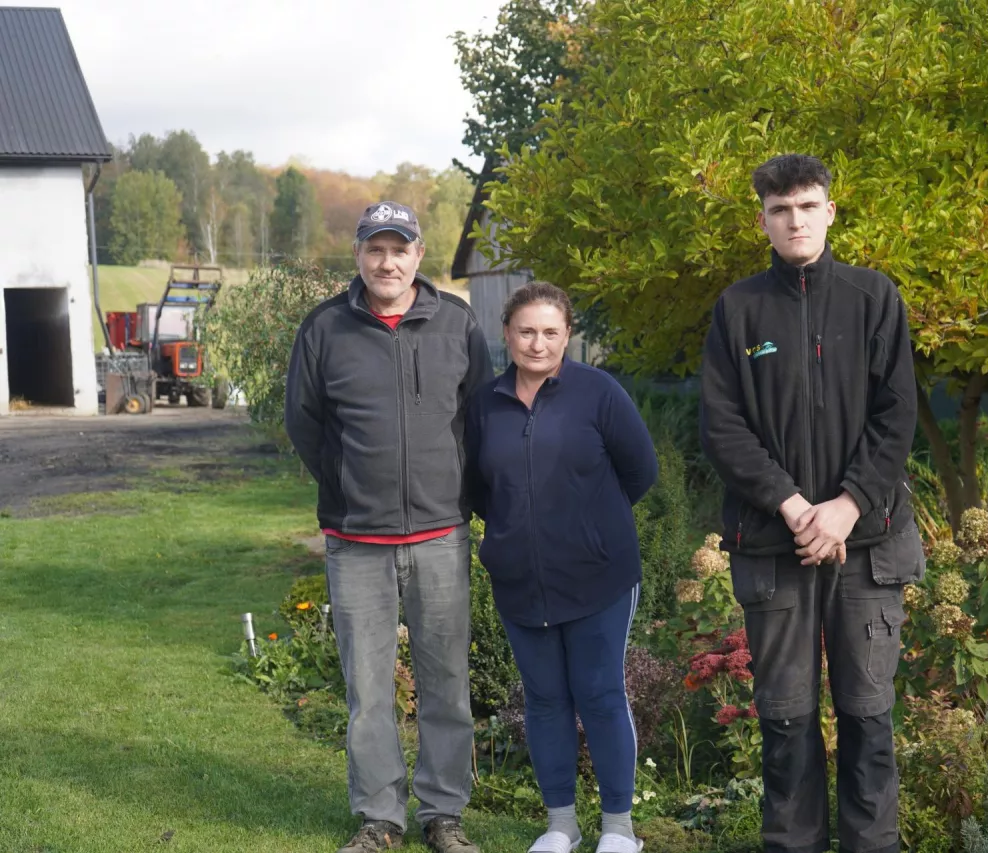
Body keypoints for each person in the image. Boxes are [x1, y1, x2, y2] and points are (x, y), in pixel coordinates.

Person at [699, 154, 923, 853]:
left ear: (830, 210)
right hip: (777, 545)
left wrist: (848, 505)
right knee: (787, 717)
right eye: (780, 209)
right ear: (762, 219)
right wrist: (796, 508)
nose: (794, 220)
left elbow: (898, 414)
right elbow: (721, 426)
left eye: (807, 206)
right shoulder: (738, 309)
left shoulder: (874, 297)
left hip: (869, 545)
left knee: (867, 712)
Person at [285, 200, 492, 853]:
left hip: (439, 535)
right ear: (357, 255)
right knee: (368, 689)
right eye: (375, 248)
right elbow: (305, 422)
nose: (386, 260)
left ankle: (443, 813)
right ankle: (380, 817)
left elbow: (480, 418)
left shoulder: (456, 323)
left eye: (398, 248)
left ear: (417, 255)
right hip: (357, 542)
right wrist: (349, 487)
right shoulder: (324, 329)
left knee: (446, 683)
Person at [464, 282, 658, 853]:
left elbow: (639, 471)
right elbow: (479, 488)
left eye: (551, 332)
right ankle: (561, 826)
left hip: (598, 577)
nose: (538, 342)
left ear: (567, 335)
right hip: (520, 581)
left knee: (599, 694)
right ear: (506, 334)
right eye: (526, 330)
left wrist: (587, 528)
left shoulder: (598, 393)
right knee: (544, 698)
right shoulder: (485, 404)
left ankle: (618, 830)